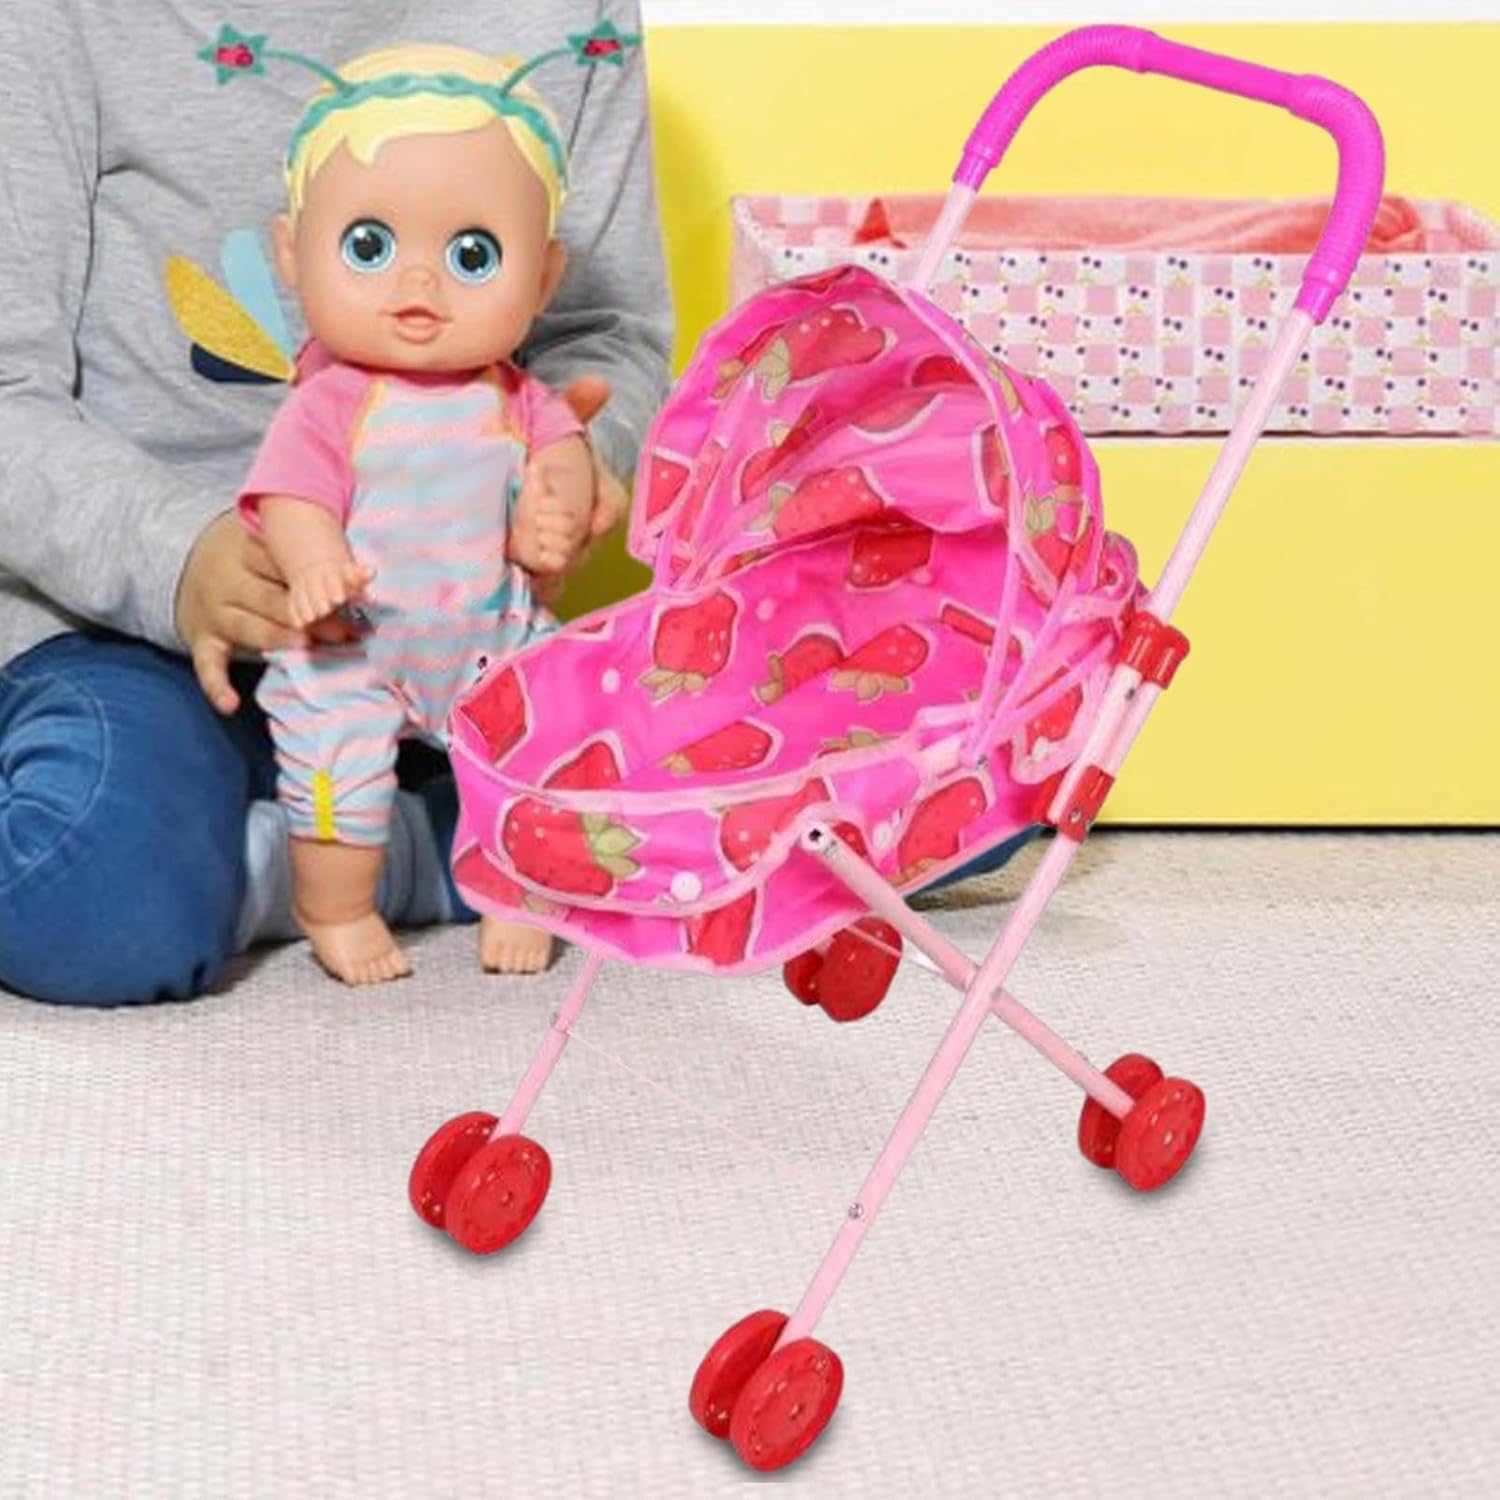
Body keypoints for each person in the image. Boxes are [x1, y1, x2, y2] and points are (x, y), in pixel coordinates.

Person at [0, 2, 672, 1006]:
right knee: (78, 888)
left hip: (464, 636)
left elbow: (608, 333)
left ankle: (350, 850)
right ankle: (405, 851)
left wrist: (572, 474)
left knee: (807, 789)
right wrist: (181, 558)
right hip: (137, 637)